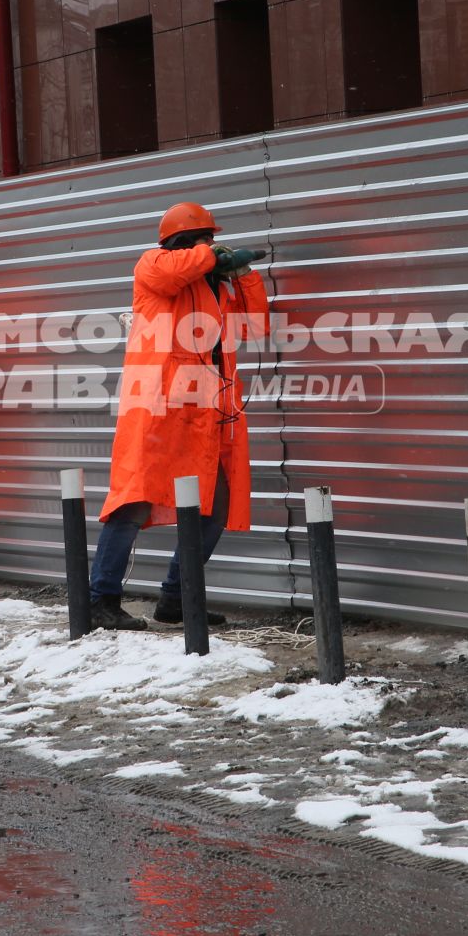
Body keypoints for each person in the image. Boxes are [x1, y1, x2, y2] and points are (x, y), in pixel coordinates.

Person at [88, 202, 268, 631]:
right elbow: (170, 274)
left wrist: (242, 275)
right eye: (204, 240)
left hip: (209, 412)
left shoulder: (214, 288)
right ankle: (101, 598)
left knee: (215, 506)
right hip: (159, 408)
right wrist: (213, 258)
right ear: (181, 243)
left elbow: (255, 327)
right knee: (134, 499)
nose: (211, 247)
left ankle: (176, 598)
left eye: (213, 241)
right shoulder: (153, 265)